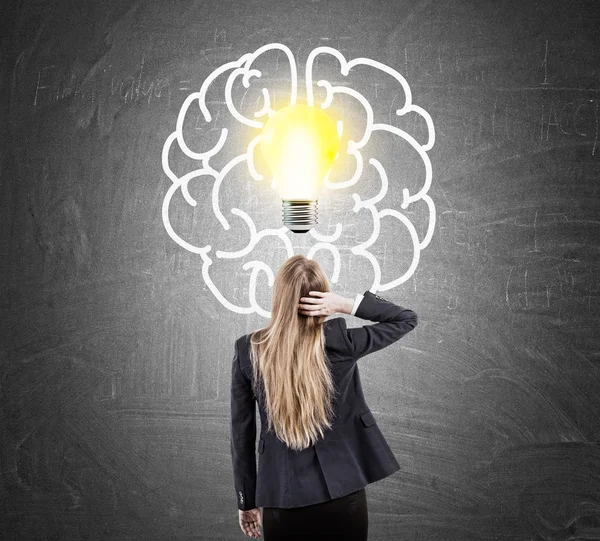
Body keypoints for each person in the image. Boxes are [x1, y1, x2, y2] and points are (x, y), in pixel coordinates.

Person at [230, 255, 418, 540]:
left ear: (279, 296)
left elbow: (241, 435)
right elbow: (406, 318)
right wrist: (345, 303)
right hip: (344, 495)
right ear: (322, 296)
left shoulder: (249, 350)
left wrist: (246, 501)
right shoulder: (341, 342)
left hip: (283, 498)